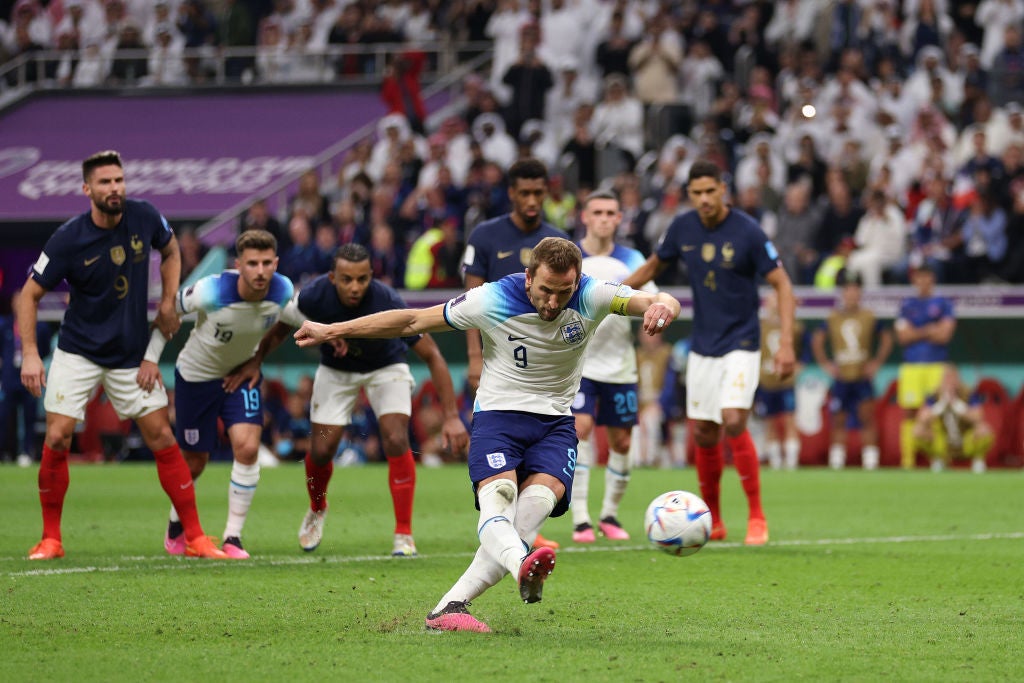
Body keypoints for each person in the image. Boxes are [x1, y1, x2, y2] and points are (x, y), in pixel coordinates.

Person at [293, 237, 681, 633]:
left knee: (531, 516)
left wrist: (664, 306)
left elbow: (659, 299)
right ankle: (520, 567)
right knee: (502, 501)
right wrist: (332, 329)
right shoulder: (491, 298)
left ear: (577, 281)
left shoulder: (592, 294)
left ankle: (448, 608)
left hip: (555, 424)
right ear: (529, 278)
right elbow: (411, 321)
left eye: (563, 292)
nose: (552, 302)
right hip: (499, 418)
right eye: (545, 290)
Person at [16, 150, 228, 560]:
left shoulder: (145, 216)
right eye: (105, 183)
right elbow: (29, 294)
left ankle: (196, 539)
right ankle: (51, 540)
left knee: (162, 436)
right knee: (58, 436)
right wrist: (30, 353)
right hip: (78, 352)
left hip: (130, 355)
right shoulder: (68, 238)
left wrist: (168, 300)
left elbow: (170, 251)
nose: (115, 188)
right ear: (87, 189)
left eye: (119, 180)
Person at [226, 243, 469, 557]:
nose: (355, 287)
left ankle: (403, 534)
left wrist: (450, 416)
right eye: (346, 280)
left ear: (371, 276)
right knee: (322, 448)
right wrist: (255, 361)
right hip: (337, 373)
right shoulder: (313, 296)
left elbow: (434, 356)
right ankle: (317, 507)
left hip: (387, 368)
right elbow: (281, 329)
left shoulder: (387, 301)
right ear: (331, 277)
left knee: (396, 437)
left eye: (362, 279)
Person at [623, 159, 796, 546]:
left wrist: (785, 343)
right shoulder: (682, 228)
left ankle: (756, 516)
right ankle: (713, 520)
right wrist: (605, 297)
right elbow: (652, 266)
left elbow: (782, 284)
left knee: (733, 419)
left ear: (723, 190)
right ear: (690, 195)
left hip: (743, 342)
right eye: (696, 193)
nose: (703, 199)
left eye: (710, 191)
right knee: (704, 430)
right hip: (703, 345)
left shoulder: (748, 231)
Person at [144, 229, 294, 559]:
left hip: (240, 377)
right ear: (238, 264)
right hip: (195, 378)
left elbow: (293, 320)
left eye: (267, 263)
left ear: (276, 263)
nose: (260, 270)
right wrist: (150, 359)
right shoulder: (210, 291)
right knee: (195, 462)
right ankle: (175, 525)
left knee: (248, 446)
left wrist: (257, 358)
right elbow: (168, 315)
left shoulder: (283, 290)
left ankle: (233, 537)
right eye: (252, 263)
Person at [460, 156, 564, 552]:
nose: (533, 200)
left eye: (539, 192)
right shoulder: (486, 236)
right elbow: (469, 302)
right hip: (499, 366)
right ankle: (511, 532)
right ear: (512, 194)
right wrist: (473, 358)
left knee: (536, 455)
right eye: (526, 193)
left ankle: (520, 531)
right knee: (502, 457)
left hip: (544, 369)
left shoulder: (556, 240)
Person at [568, 190, 649, 544]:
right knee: (580, 428)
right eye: (597, 211)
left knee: (622, 439)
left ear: (619, 218)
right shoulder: (571, 255)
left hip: (620, 365)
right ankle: (581, 518)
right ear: (584, 216)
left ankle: (610, 515)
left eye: (610, 212)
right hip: (580, 363)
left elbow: (651, 298)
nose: (603, 218)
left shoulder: (633, 258)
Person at [810, 269, 893, 470]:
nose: (852, 294)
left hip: (862, 376)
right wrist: (826, 364)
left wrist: (876, 363)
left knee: (867, 418)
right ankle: (837, 461)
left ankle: (870, 461)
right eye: (848, 290)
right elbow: (817, 340)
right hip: (842, 377)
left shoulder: (868, 316)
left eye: (855, 289)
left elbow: (886, 338)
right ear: (842, 293)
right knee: (838, 420)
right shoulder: (833, 317)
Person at [894, 264, 956, 469]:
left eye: (927, 277)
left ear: (933, 279)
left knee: (937, 412)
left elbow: (945, 335)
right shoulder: (907, 305)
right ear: (914, 280)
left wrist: (917, 332)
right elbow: (903, 337)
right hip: (912, 366)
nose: (923, 281)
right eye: (919, 277)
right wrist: (930, 329)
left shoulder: (944, 304)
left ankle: (938, 459)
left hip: (936, 366)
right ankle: (908, 460)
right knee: (910, 412)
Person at [752, 291, 805, 470]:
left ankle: (791, 462)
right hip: (766, 381)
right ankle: (775, 462)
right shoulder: (758, 326)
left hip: (786, 381)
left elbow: (804, 348)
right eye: (771, 301)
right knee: (769, 422)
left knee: (790, 419)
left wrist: (799, 365)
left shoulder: (792, 326)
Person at [913, 365, 993, 473]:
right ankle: (938, 459)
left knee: (984, 430)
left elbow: (978, 417)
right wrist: (941, 405)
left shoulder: (969, 394)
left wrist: (957, 405)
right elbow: (922, 418)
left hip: (965, 439)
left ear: (958, 379)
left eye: (952, 378)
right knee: (918, 430)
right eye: (947, 379)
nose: (949, 382)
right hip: (944, 441)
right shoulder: (934, 396)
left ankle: (978, 460)